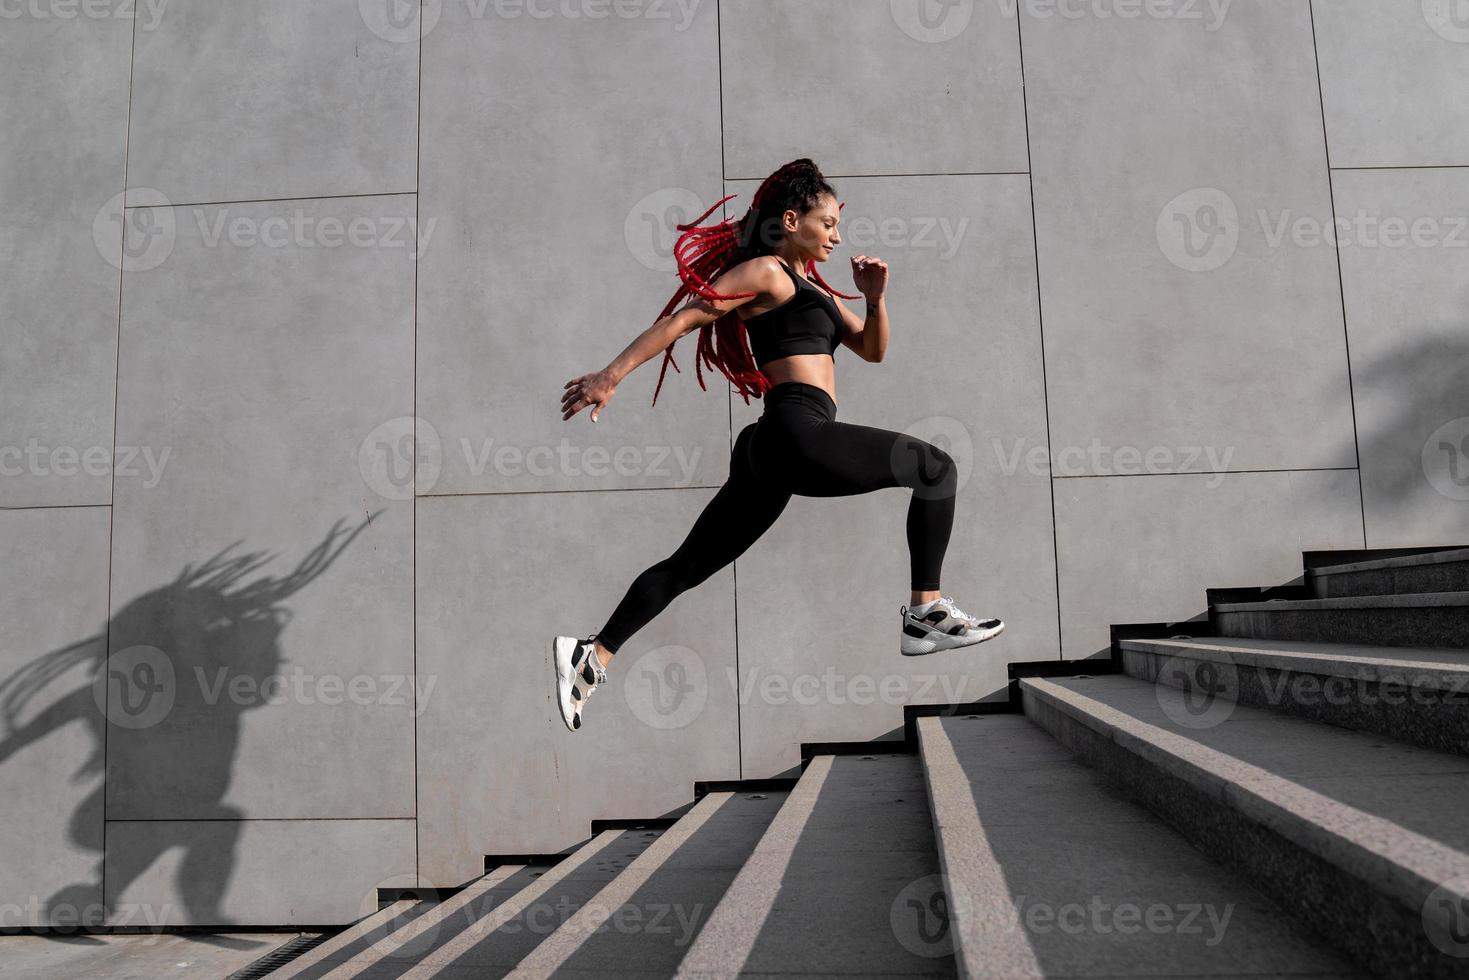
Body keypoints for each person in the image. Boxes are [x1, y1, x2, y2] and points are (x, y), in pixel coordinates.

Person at [551, 158, 1004, 732]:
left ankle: (591, 655)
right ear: (792, 220)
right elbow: (686, 319)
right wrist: (611, 375)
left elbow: (872, 349)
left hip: (771, 448)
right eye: (829, 223)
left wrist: (874, 296)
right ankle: (925, 612)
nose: (838, 236)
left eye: (839, 226)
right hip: (796, 431)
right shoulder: (766, 272)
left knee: (687, 566)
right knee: (936, 468)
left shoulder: (812, 286)